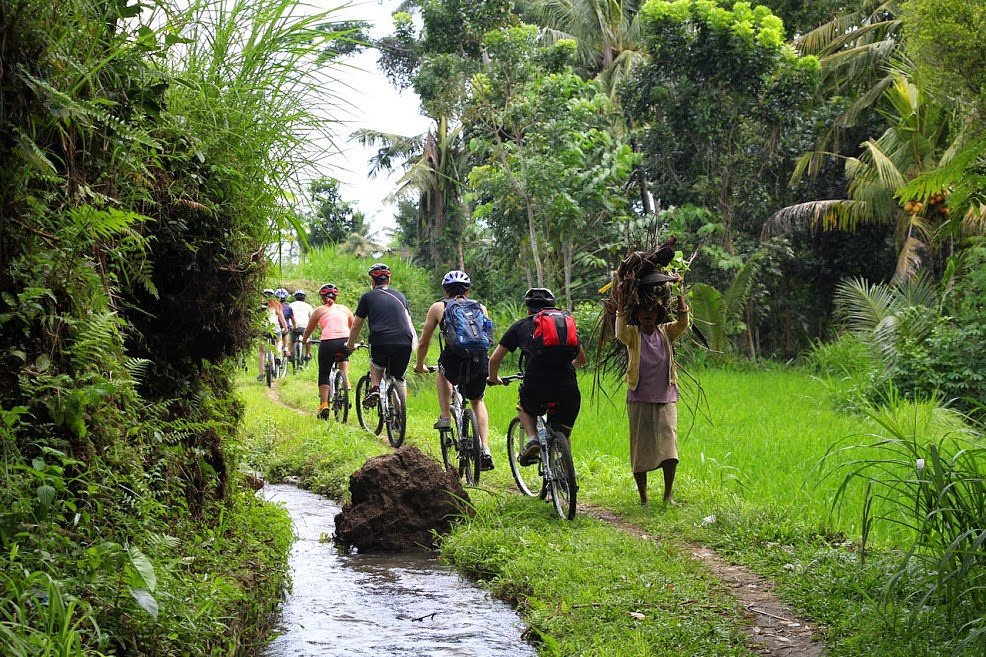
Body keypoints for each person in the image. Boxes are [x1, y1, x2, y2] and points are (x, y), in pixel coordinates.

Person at [614, 273, 690, 505]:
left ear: (658, 315)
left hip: (666, 397)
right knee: (640, 447)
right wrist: (619, 303)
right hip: (639, 397)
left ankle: (668, 495)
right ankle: (644, 498)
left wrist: (680, 294)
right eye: (644, 312)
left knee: (670, 447)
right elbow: (619, 332)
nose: (648, 315)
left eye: (653, 312)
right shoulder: (632, 335)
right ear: (637, 315)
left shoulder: (666, 331)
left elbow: (683, 323)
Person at [487, 288, 586, 465]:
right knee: (561, 433)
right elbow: (582, 359)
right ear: (552, 307)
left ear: (528, 309)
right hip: (568, 389)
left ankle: (532, 438)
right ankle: (565, 472)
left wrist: (493, 378)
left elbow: (494, 359)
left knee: (523, 407)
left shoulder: (520, 325)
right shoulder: (564, 325)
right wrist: (566, 367)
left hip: (535, 386)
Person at [415, 270, 495, 471]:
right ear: (467, 290)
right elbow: (485, 338)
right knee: (477, 400)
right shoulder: (481, 308)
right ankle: (485, 448)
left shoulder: (438, 307)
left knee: (442, 372)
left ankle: (445, 417)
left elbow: (424, 341)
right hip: (479, 360)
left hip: (454, 358)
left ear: (445, 289)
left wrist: (419, 364)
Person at [346, 263, 417, 407]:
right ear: (388, 281)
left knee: (376, 363)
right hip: (405, 340)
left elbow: (356, 325)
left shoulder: (367, 297)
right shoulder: (401, 296)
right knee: (399, 379)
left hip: (381, 340)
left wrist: (350, 344)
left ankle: (376, 387)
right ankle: (399, 417)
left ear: (372, 281)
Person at [303, 283, 355, 419]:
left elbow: (309, 329)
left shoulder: (319, 310)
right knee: (344, 357)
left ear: (322, 297)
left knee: (324, 372)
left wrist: (304, 341)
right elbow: (353, 325)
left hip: (328, 342)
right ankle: (346, 380)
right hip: (345, 340)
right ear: (336, 297)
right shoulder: (345, 309)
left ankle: (324, 404)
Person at [259, 288, 287, 382]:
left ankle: (261, 374)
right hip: (275, 328)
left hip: (263, 329)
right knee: (279, 340)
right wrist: (286, 329)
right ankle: (278, 355)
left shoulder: (260, 305)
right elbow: (282, 319)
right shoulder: (276, 305)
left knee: (262, 351)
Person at [289, 289, 315, 363]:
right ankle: (307, 354)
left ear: (295, 297)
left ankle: (291, 353)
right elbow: (312, 317)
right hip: (305, 327)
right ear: (304, 298)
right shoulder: (308, 306)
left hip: (294, 326)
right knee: (308, 340)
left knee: (292, 340)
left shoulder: (291, 305)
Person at [275, 288, 294, 361]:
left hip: (273, 328)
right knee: (287, 332)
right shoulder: (288, 308)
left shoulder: (273, 306)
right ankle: (286, 348)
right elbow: (293, 319)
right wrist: (293, 326)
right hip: (282, 328)